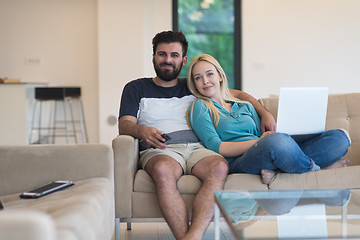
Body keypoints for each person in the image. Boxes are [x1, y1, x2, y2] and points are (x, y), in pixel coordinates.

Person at [118, 31, 276, 240]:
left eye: (174, 55)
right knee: (163, 169)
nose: (167, 60)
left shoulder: (194, 84)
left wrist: (264, 112)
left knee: (219, 167)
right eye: (162, 54)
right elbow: (124, 125)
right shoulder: (136, 87)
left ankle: (192, 237)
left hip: (198, 148)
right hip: (162, 148)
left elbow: (235, 93)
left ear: (183, 60)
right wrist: (141, 130)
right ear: (154, 57)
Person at [187, 54, 351, 184]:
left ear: (220, 76)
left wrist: (270, 138)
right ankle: (317, 169)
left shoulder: (244, 105)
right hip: (240, 161)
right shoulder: (200, 106)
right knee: (276, 142)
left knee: (340, 137)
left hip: (267, 150)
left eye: (209, 74)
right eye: (198, 78)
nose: (205, 81)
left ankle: (279, 172)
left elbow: (262, 135)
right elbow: (217, 147)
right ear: (194, 83)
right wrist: (262, 142)